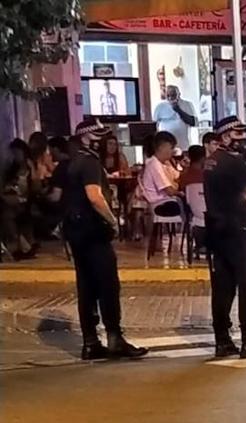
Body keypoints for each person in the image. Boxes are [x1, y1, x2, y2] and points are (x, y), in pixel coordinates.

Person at [62, 119, 147, 360]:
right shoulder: (89, 162)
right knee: (107, 285)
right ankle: (114, 339)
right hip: (93, 231)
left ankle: (90, 342)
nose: (104, 141)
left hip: (77, 232)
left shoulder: (72, 162)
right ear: (88, 138)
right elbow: (95, 196)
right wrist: (113, 221)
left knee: (86, 286)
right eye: (99, 136)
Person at [203, 115, 246, 359]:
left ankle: (222, 340)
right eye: (237, 134)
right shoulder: (234, 163)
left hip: (216, 230)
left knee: (222, 287)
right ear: (225, 136)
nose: (243, 139)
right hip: (238, 229)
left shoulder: (210, 161)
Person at [1, 139, 36, 259]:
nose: (15, 155)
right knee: (7, 209)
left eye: (17, 152)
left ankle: (17, 243)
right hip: (12, 198)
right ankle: (17, 243)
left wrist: (33, 170)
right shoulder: (12, 168)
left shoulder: (30, 167)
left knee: (9, 213)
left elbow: (33, 188)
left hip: (27, 201)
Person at [153, 86, 197, 150]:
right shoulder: (160, 107)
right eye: (168, 95)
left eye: (173, 95)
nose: (170, 98)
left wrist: (178, 110)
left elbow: (193, 123)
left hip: (183, 146)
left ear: (179, 94)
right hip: (165, 147)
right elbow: (154, 125)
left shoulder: (187, 104)